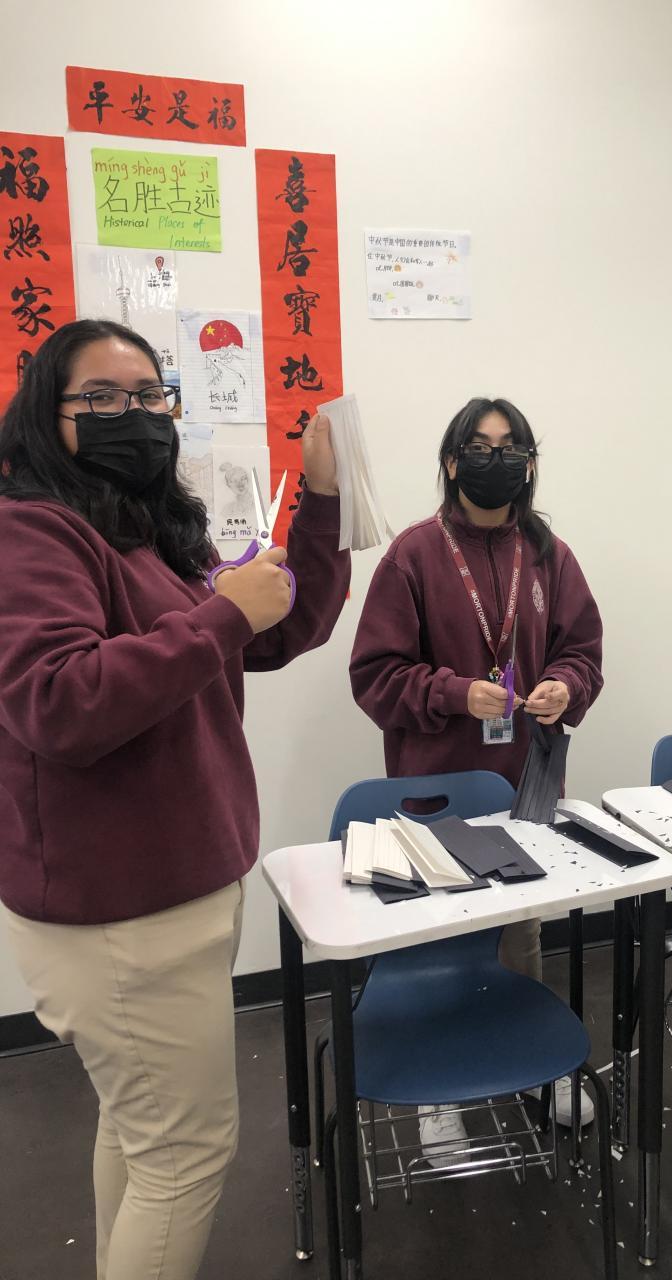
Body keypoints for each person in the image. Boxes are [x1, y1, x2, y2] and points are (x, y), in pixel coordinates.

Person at [0, 319, 350, 1280]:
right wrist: (222, 618)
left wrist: (320, 505)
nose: (136, 414)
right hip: (119, 913)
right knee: (186, 1156)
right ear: (45, 414)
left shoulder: (136, 533)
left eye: (152, 396)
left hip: (172, 893)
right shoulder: (31, 530)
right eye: (101, 398)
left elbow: (275, 632)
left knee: (142, 1132)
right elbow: (59, 701)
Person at [350, 396, 603, 1157]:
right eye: (480, 446)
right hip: (437, 788)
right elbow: (374, 676)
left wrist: (564, 686)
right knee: (440, 934)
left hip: (525, 786)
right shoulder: (413, 555)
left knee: (520, 932)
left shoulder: (550, 555)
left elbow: (583, 652)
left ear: (529, 464)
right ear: (452, 461)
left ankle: (529, 1060)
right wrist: (453, 693)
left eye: (512, 447)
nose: (497, 460)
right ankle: (437, 1082)